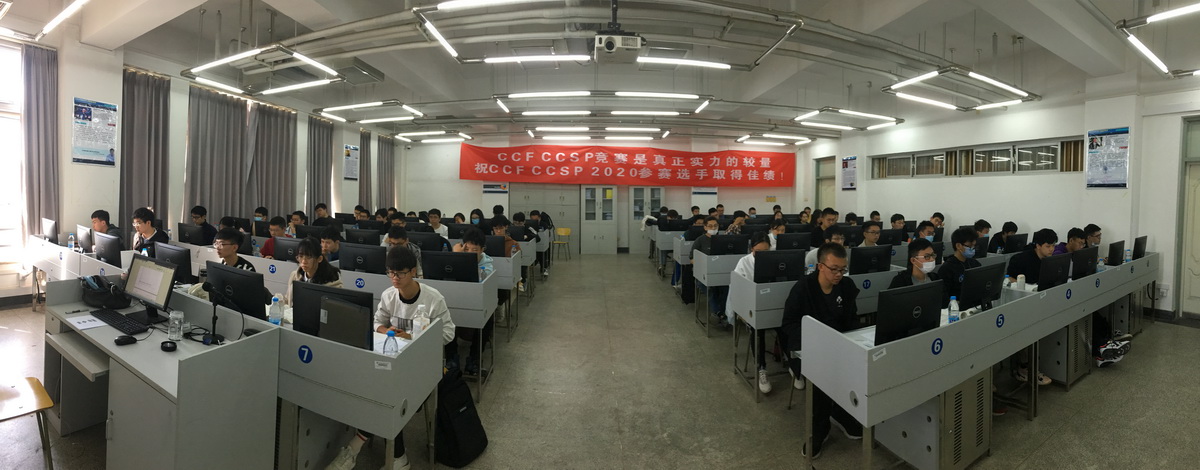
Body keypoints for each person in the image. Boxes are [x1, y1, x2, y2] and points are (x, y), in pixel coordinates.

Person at [326, 245, 453, 470]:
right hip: (392, 360)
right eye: (390, 273)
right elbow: (376, 322)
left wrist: (412, 337)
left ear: (413, 272)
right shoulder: (388, 295)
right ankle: (397, 458)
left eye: (400, 273)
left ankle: (360, 449)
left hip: (422, 367)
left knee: (386, 395)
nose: (394, 278)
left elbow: (449, 333)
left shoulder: (434, 299)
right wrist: (388, 331)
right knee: (376, 390)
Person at [781, 243, 863, 459]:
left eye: (843, 269)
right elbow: (789, 324)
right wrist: (816, 341)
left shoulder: (846, 286)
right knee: (821, 376)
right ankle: (819, 428)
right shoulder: (803, 288)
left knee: (859, 367)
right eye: (834, 269)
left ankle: (841, 413)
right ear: (820, 266)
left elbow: (852, 319)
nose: (839, 274)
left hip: (840, 344)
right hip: (809, 347)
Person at [1006, 228, 1058, 386]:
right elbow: (1009, 278)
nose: (1052, 249)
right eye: (1048, 246)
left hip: (1041, 300)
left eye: (1053, 246)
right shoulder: (1021, 259)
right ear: (1038, 245)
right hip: (1022, 302)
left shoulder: (1050, 260)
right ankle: (1024, 368)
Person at [728, 232, 776, 394]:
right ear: (751, 249)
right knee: (758, 330)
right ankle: (761, 368)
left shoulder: (775, 261)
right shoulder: (744, 262)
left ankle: (795, 367)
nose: (762, 255)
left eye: (766, 251)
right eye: (758, 252)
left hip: (771, 304)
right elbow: (738, 289)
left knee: (787, 326)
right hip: (750, 307)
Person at [452, 228, 494, 375]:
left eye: (474, 250)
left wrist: (459, 256)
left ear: (482, 250)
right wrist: (456, 257)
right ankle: (452, 359)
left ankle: (474, 360)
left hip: (477, 303)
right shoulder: (456, 258)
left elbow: (480, 280)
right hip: (457, 299)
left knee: (487, 318)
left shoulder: (487, 264)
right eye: (467, 249)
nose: (470, 253)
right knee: (444, 316)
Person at [692, 216, 730, 328]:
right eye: (710, 226)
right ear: (705, 227)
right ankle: (718, 313)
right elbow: (691, 258)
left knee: (726, 288)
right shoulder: (700, 240)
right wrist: (702, 266)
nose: (713, 228)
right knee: (710, 289)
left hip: (720, 272)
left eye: (715, 226)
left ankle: (722, 313)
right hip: (703, 273)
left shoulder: (723, 239)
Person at [282, 237, 342, 306]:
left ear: (319, 259)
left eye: (309, 257)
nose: (304, 261)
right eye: (301, 256)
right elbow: (288, 300)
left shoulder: (333, 281)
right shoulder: (295, 275)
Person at [936, 228, 981, 302]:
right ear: (958, 246)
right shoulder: (946, 268)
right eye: (970, 246)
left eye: (974, 246)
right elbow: (943, 297)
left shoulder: (975, 263)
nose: (973, 249)